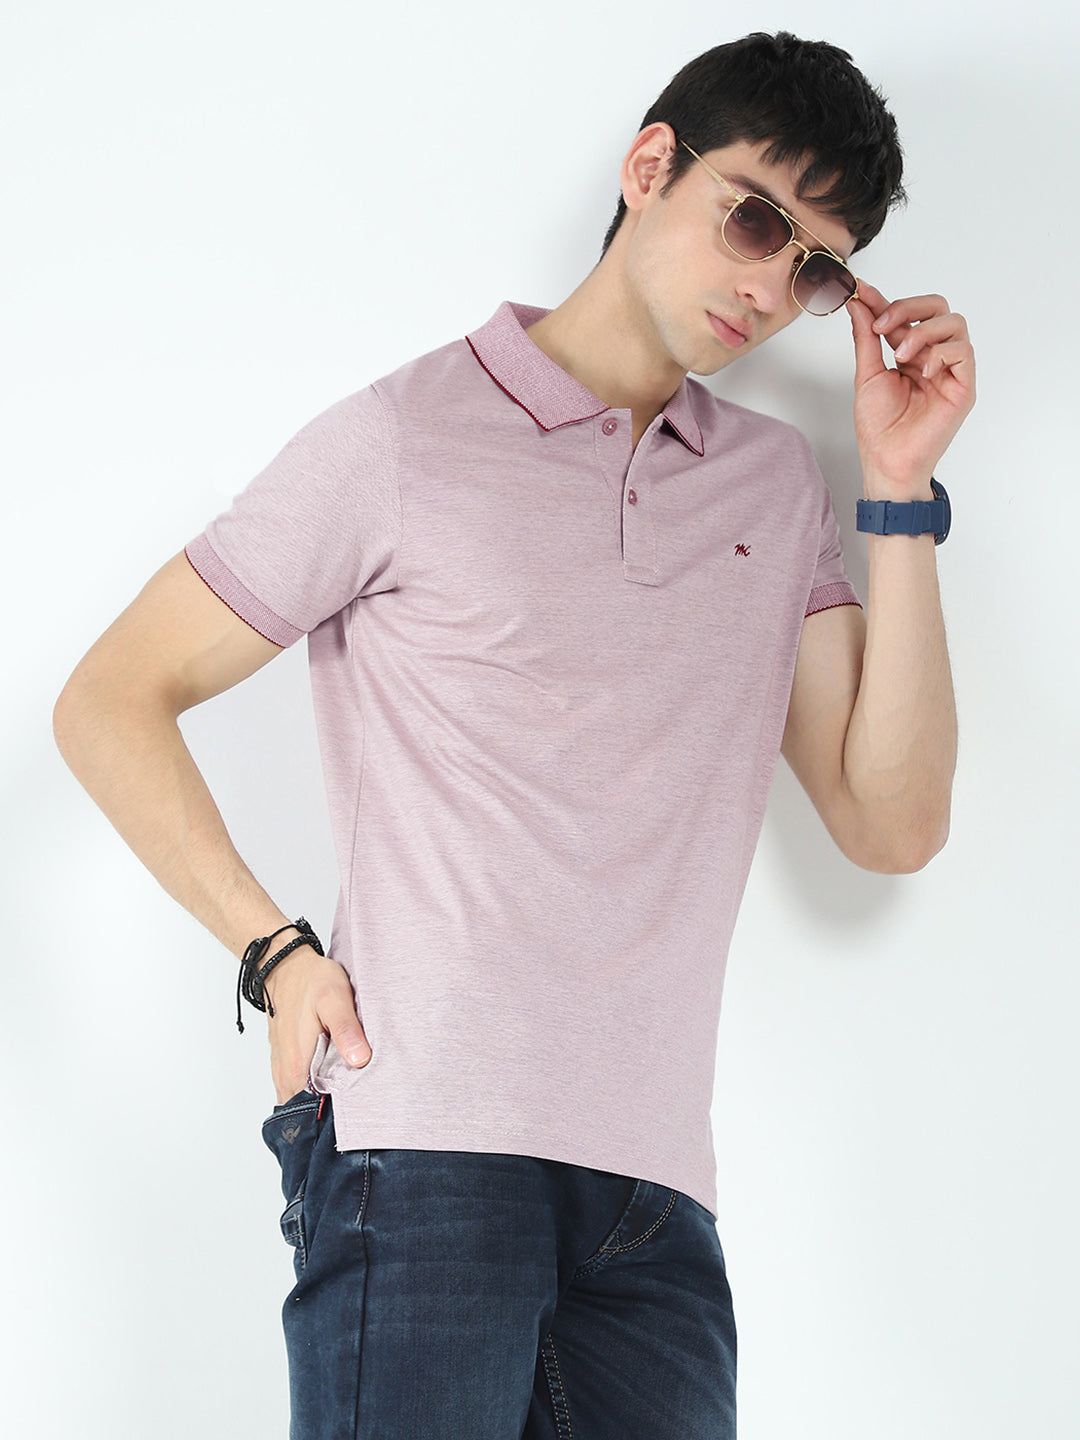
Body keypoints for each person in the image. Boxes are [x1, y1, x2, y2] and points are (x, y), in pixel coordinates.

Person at [53, 28, 974, 1440]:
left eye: (815, 269)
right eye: (754, 220)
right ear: (650, 166)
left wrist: (898, 490)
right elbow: (110, 697)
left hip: (656, 1201)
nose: (768, 284)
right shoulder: (404, 439)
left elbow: (890, 820)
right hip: (419, 1150)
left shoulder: (776, 486)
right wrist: (274, 953)